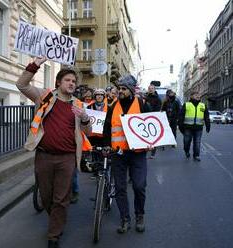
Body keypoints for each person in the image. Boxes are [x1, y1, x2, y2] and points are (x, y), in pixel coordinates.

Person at [16, 57, 92, 248]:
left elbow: (88, 132)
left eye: (74, 81)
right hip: (44, 155)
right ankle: (57, 220)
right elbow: (22, 85)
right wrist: (36, 64)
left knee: (61, 198)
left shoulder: (78, 105)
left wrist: (84, 118)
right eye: (68, 80)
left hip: (67, 158)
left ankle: (54, 235)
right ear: (59, 82)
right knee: (47, 196)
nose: (71, 83)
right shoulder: (46, 96)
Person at [103, 74, 150, 234]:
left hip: (138, 154)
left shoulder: (143, 105)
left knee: (139, 186)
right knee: (120, 188)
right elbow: (107, 129)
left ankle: (139, 215)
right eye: (119, 88)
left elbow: (152, 126)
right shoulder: (113, 106)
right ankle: (125, 218)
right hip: (119, 154)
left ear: (130, 90)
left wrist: (152, 144)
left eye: (123, 89)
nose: (120, 91)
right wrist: (106, 146)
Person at [178, 91, 210, 161]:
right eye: (196, 95)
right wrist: (180, 126)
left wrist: (208, 126)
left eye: (199, 95)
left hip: (198, 128)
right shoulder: (186, 105)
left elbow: (206, 117)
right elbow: (181, 116)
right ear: (191, 96)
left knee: (197, 142)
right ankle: (186, 151)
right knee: (187, 141)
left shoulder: (203, 105)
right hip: (188, 127)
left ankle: (196, 155)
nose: (198, 96)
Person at [145, 83, 162, 158]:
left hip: (153, 119)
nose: (150, 90)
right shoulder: (145, 97)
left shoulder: (158, 99)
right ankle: (145, 150)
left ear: (154, 89)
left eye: (152, 88)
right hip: (144, 118)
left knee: (153, 136)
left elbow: (157, 110)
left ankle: (153, 153)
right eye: (149, 88)